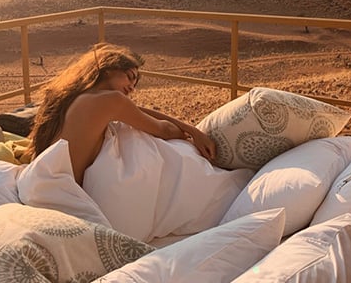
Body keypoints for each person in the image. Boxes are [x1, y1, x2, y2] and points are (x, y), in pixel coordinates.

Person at [27, 43, 217, 185]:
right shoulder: (111, 101)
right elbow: (164, 130)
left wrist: (191, 129)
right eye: (130, 77)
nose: (132, 88)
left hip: (42, 181)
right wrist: (192, 134)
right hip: (65, 191)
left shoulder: (76, 96)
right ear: (108, 70)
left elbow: (137, 111)